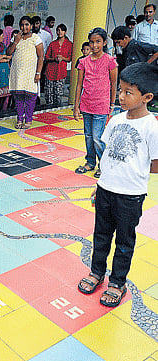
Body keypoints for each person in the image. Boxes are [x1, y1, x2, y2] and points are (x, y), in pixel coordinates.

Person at [77, 62, 158, 307]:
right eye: (120, 91)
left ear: (147, 97)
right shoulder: (115, 120)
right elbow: (109, 156)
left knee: (124, 242)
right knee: (100, 236)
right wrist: (101, 184)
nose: (120, 96)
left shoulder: (151, 127)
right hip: (105, 191)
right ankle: (96, 272)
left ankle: (117, 282)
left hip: (130, 196)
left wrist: (133, 174)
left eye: (127, 92)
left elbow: (155, 163)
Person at [73, 28, 118, 179]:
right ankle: (90, 162)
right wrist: (76, 107)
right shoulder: (83, 61)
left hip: (101, 105)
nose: (94, 45)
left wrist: (112, 104)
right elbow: (79, 85)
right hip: (86, 105)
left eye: (98, 41)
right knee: (88, 136)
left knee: (97, 138)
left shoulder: (110, 61)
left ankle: (103, 165)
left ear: (105, 42)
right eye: (92, 42)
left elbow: (113, 83)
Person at [7, 16, 44, 129]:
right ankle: (19, 118)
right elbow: (9, 52)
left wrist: (38, 73)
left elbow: (41, 56)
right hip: (17, 72)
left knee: (30, 96)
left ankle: (28, 119)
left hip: (30, 73)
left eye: (27, 24)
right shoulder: (16, 37)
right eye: (22, 25)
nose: (24, 27)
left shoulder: (36, 38)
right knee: (18, 96)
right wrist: (16, 41)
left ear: (31, 26)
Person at [44, 24, 73, 106]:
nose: (59, 32)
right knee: (49, 95)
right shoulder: (53, 44)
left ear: (65, 32)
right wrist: (54, 59)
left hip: (61, 73)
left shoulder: (69, 44)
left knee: (58, 94)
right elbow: (46, 57)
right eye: (58, 30)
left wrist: (62, 58)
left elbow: (70, 58)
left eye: (61, 30)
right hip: (50, 72)